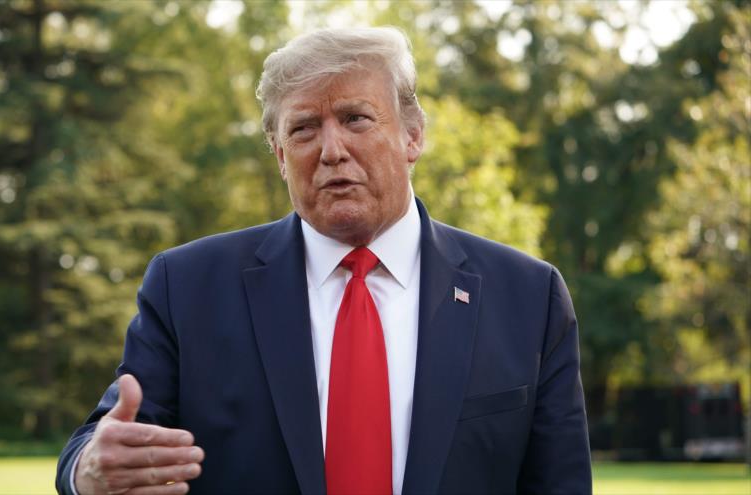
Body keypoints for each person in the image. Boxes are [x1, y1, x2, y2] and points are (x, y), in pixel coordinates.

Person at [56, 27, 592, 495]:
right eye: (304, 128)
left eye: (356, 118)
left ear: (412, 135)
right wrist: (89, 470)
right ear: (280, 155)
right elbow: (105, 440)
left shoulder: (528, 296)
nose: (331, 150)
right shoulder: (188, 286)